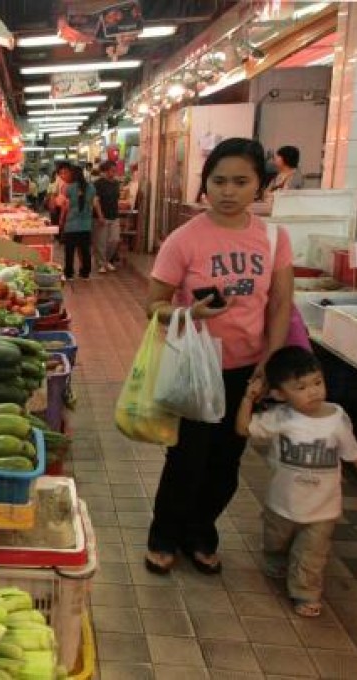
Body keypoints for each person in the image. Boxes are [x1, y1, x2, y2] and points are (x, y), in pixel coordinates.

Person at [143, 138, 295, 575]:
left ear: (260, 186)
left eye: (241, 181)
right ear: (205, 184)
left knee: (226, 462)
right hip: (195, 366)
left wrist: (271, 361)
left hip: (248, 368)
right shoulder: (184, 238)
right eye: (219, 181)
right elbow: (153, 306)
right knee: (187, 458)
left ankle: (200, 532)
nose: (228, 191)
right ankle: (164, 534)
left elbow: (280, 303)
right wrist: (191, 312)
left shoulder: (272, 237)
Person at [235, 346, 357, 617]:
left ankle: (305, 592)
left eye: (317, 382)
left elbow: (351, 454)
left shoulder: (338, 418)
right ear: (279, 394)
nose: (313, 391)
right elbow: (244, 429)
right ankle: (275, 557)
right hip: (283, 503)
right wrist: (248, 400)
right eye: (300, 387)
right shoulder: (280, 418)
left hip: (323, 508)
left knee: (312, 555)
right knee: (276, 539)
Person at [58, 165, 99, 280]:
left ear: (73, 175)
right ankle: (85, 273)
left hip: (71, 224)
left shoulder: (68, 188)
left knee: (69, 250)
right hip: (86, 224)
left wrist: (61, 219)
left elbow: (62, 205)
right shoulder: (91, 187)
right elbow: (94, 204)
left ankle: (69, 273)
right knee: (85, 250)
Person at [93, 160, 121, 273]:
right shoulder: (98, 184)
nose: (113, 173)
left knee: (114, 240)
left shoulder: (116, 183)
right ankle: (101, 263)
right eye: (111, 171)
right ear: (105, 171)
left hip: (114, 215)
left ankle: (107, 260)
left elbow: (116, 198)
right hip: (101, 216)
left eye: (115, 171)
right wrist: (100, 215)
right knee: (101, 242)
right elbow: (95, 200)